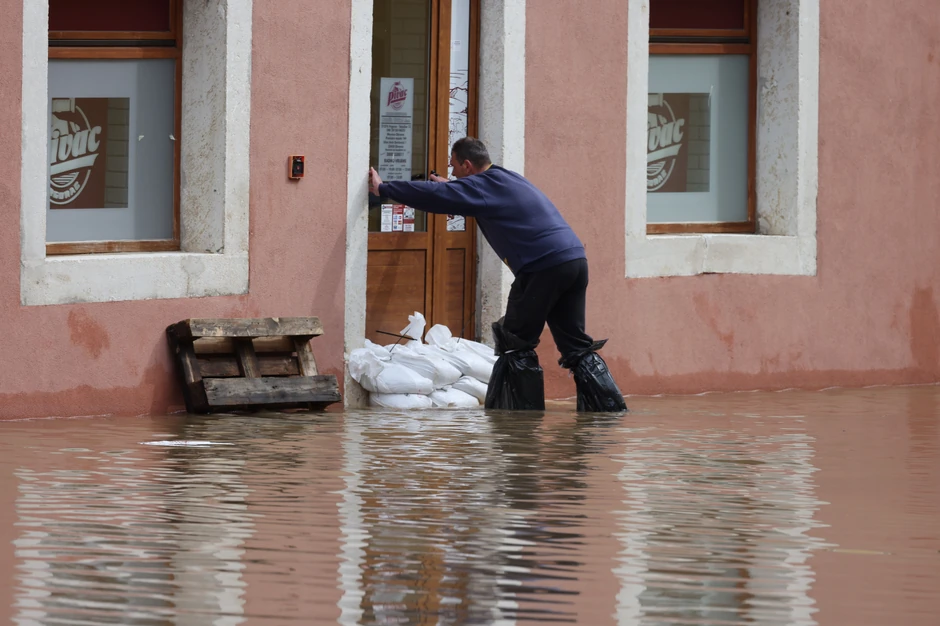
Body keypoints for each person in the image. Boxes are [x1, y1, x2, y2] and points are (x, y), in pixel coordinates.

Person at [368, 137, 626, 412]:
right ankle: (609, 411)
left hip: (542, 267)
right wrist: (454, 186)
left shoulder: (482, 187)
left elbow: (437, 198)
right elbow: (461, 193)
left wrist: (383, 188)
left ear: (467, 165)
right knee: (575, 346)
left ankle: (520, 422)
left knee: (515, 342)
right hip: (574, 261)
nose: (452, 172)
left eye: (454, 167)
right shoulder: (504, 178)